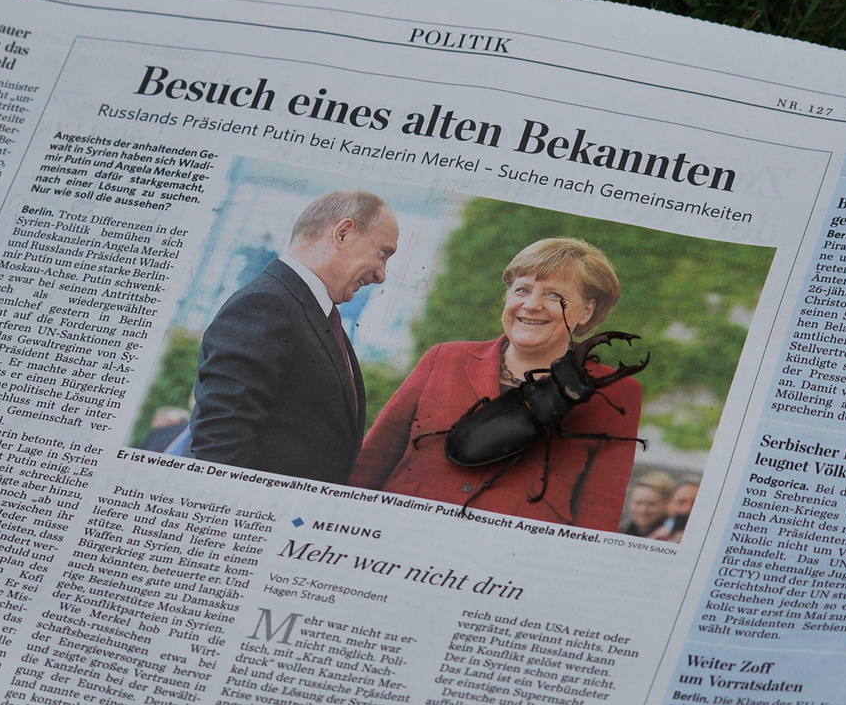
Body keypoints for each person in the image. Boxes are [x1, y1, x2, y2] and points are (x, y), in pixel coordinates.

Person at [351, 237, 641, 530]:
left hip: (510, 555)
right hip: (399, 528)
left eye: (554, 295)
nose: (531, 305)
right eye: (522, 289)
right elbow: (373, 460)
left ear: (586, 311)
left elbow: (599, 511)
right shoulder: (445, 358)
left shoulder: (617, 392)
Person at [188, 189, 399, 483]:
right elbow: (221, 440)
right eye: (383, 253)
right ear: (343, 234)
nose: (381, 275)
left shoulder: (312, 311)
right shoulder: (266, 305)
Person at [620, 471, 674, 537]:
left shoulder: (673, 535)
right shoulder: (620, 531)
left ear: (667, 504)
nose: (643, 510)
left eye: (651, 504)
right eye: (638, 503)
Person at [650, 478, 699, 543]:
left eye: (694, 503)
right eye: (681, 502)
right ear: (669, 503)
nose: (687, 509)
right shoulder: (650, 528)